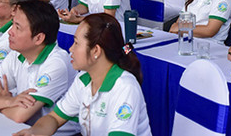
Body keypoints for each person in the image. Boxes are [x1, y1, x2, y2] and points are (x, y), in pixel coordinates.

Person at [14, 13, 150, 136]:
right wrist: (34, 132)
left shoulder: (125, 87)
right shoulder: (83, 79)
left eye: (76, 43)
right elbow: (54, 118)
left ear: (95, 50)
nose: (71, 48)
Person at [0, 0, 75, 126]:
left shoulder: (57, 64)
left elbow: (19, 116)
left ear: (38, 38)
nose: (10, 32)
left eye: (17, 27)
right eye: (12, 24)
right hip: (22, 128)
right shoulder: (17, 54)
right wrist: (9, 101)